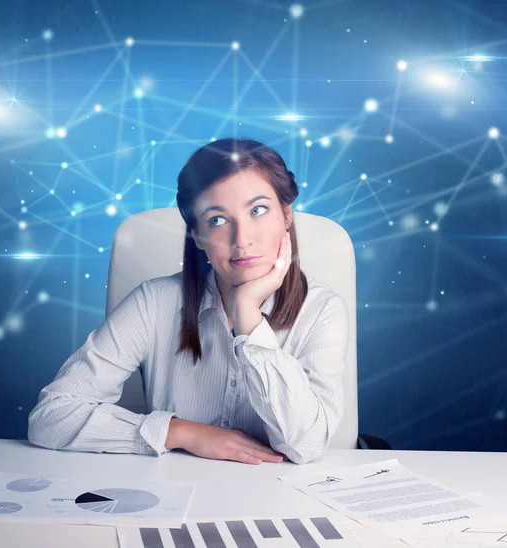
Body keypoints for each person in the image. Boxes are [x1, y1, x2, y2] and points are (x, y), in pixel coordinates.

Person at [28, 137, 349, 465]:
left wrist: (248, 319)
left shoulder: (323, 311)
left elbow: (305, 446)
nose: (242, 240)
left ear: (286, 215)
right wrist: (185, 433)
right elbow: (51, 419)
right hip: (171, 495)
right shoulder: (154, 302)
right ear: (197, 236)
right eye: (217, 220)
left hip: (278, 496)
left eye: (258, 210)